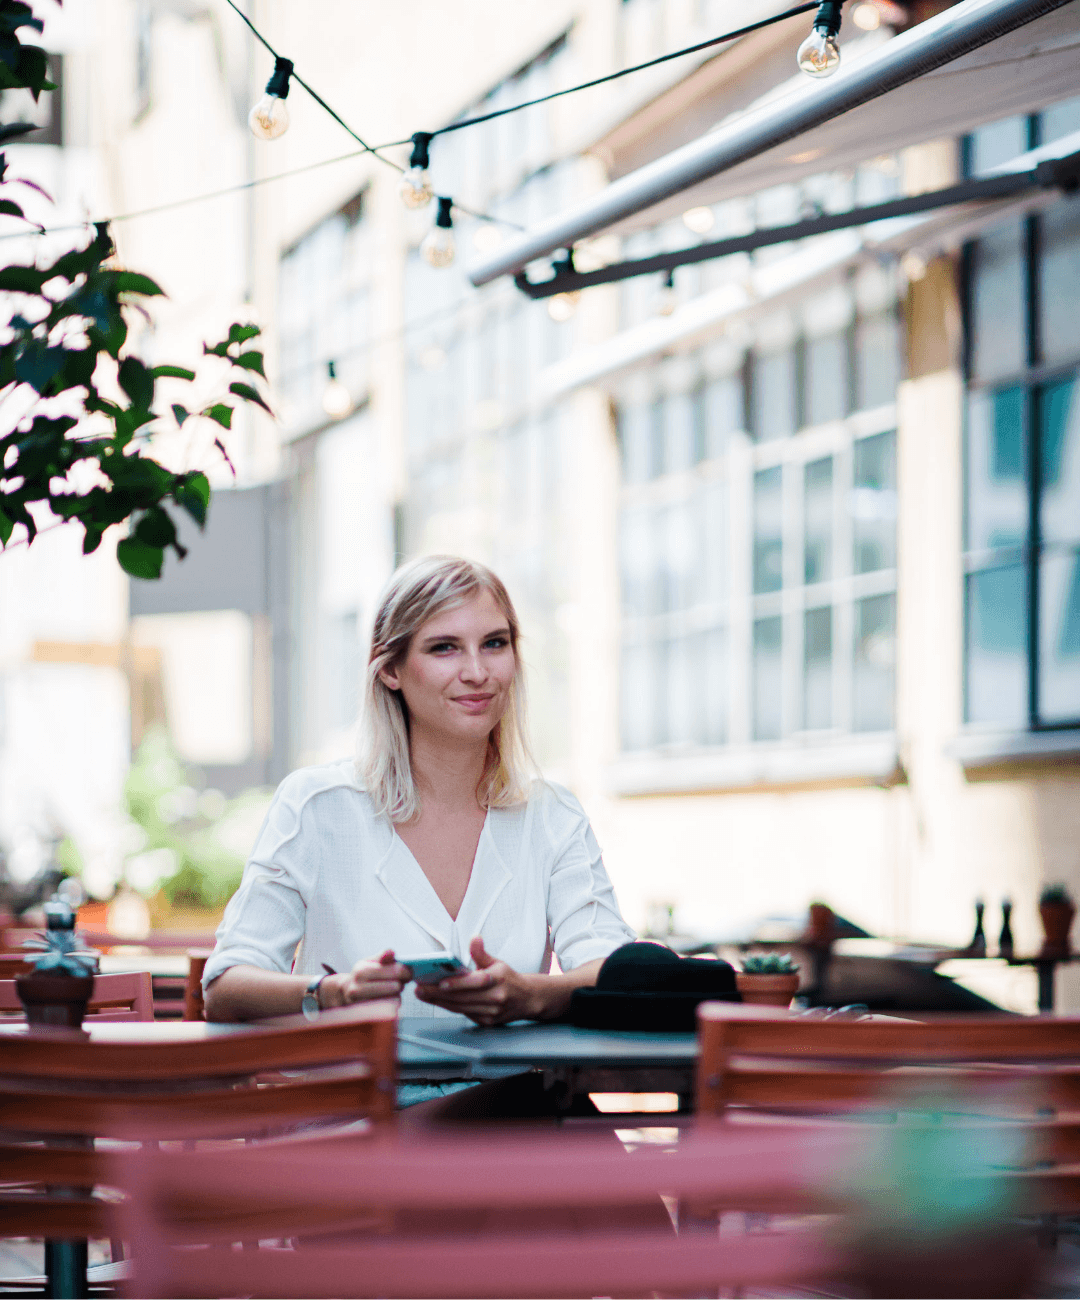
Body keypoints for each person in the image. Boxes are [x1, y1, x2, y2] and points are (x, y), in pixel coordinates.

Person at [203, 555, 635, 1027]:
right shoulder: (316, 806)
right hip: (358, 1094)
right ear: (390, 670)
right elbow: (225, 987)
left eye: (494, 643)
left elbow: (614, 973)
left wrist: (530, 995)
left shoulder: (552, 815)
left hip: (508, 1098)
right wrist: (333, 992)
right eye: (444, 648)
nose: (476, 672)